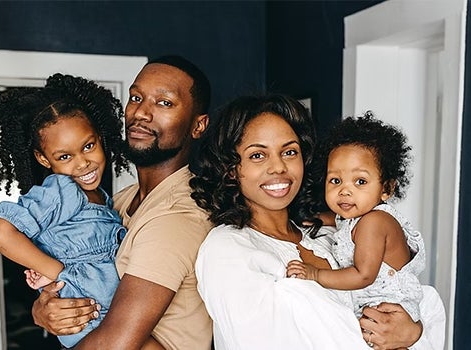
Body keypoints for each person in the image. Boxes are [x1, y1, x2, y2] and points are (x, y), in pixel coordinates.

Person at [190, 94, 445, 349]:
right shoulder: (228, 249)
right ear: (231, 169)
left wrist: (413, 332)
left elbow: (414, 302)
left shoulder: (331, 235)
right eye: (258, 155)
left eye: (290, 152)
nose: (278, 167)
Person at [30, 55, 213, 350]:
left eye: (164, 102)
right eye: (136, 97)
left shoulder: (175, 217)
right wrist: (43, 310)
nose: (141, 112)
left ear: (198, 125)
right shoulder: (118, 200)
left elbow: (115, 345)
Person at [0, 73, 129, 348]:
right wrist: (57, 270)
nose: (83, 163)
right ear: (43, 159)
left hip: (106, 314)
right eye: (65, 156)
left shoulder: (102, 197)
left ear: (100, 138)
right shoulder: (62, 190)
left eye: (88, 146)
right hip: (90, 316)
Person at [285, 112, 426, 323]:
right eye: (335, 180)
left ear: (386, 188)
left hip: (389, 313)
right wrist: (315, 219)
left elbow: (363, 275)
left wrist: (315, 274)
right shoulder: (357, 214)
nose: (345, 191)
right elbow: (337, 219)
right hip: (370, 306)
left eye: (360, 181)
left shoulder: (375, 222)